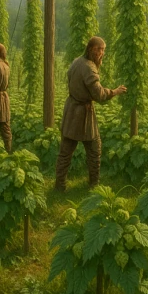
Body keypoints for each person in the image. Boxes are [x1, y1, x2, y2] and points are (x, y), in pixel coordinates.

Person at [55, 36, 126, 192]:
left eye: (103, 50)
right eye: (99, 49)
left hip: (72, 110)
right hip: (83, 114)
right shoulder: (89, 67)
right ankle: (94, 185)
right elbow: (99, 95)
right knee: (94, 149)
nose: (102, 53)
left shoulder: (77, 61)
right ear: (91, 49)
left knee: (65, 152)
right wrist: (115, 92)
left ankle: (60, 185)